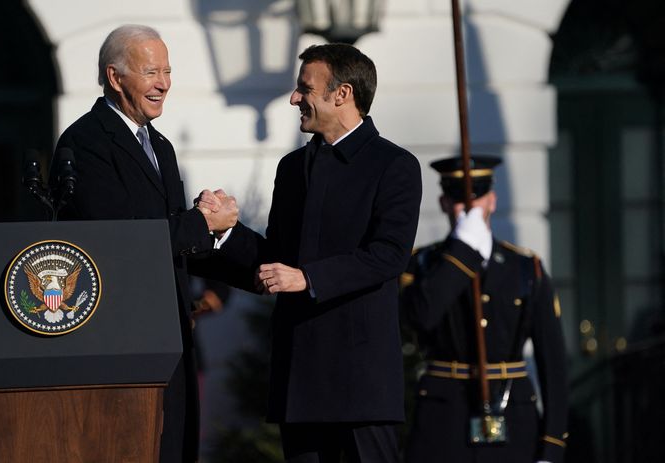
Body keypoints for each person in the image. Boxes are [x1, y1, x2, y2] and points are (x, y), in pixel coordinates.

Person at [212, 43, 422, 462]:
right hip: (300, 378)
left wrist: (307, 278)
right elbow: (276, 259)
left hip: (360, 384)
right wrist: (225, 232)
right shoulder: (291, 168)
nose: (294, 98)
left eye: (304, 88)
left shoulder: (394, 165)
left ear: (341, 93)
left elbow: (388, 255)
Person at [49, 24, 237, 462]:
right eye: (152, 71)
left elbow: (177, 242)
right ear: (116, 78)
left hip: (170, 335)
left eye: (167, 71)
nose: (164, 83)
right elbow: (120, 243)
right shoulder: (84, 144)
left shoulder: (161, 146)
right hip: (121, 343)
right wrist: (202, 222)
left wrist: (267, 267)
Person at [400, 155, 569, 463]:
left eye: (476, 197)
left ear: (492, 201)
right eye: (457, 198)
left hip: (513, 417)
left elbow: (553, 362)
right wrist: (463, 251)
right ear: (443, 203)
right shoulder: (423, 264)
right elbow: (421, 318)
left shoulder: (526, 268)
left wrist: (552, 445)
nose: (467, 207)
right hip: (443, 420)